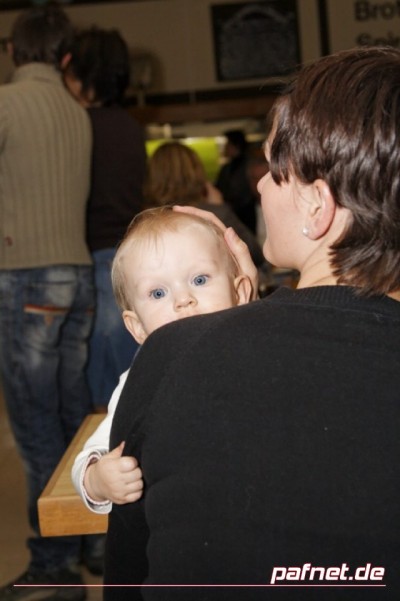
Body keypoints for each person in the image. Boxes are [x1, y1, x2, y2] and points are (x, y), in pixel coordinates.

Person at [104, 46, 400, 601]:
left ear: (317, 206)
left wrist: (244, 313)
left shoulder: (174, 354)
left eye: (273, 169)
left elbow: (128, 577)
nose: (259, 185)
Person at [71, 206, 252, 515]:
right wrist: (98, 479)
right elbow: (92, 455)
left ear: (241, 293)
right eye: (157, 293)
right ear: (137, 327)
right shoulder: (141, 382)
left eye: (199, 279)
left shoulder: (259, 358)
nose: (183, 300)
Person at [0, 6, 93, 601]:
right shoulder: (76, 112)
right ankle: (84, 539)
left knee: (35, 425)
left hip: (26, 276)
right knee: (70, 418)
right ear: (65, 56)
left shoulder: (7, 104)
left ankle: (55, 563)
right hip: (77, 277)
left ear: (13, 51)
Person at [63, 27, 146, 409]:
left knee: (102, 392)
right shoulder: (129, 126)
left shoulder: (77, 127)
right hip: (129, 252)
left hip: (94, 255)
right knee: (132, 372)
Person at [144, 141, 268, 276]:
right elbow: (255, 255)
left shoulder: (145, 222)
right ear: (195, 172)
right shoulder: (209, 214)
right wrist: (219, 207)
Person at [215, 129, 257, 232]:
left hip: (246, 212)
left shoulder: (250, 165)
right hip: (233, 211)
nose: (225, 147)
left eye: (228, 144)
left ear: (236, 145)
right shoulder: (227, 167)